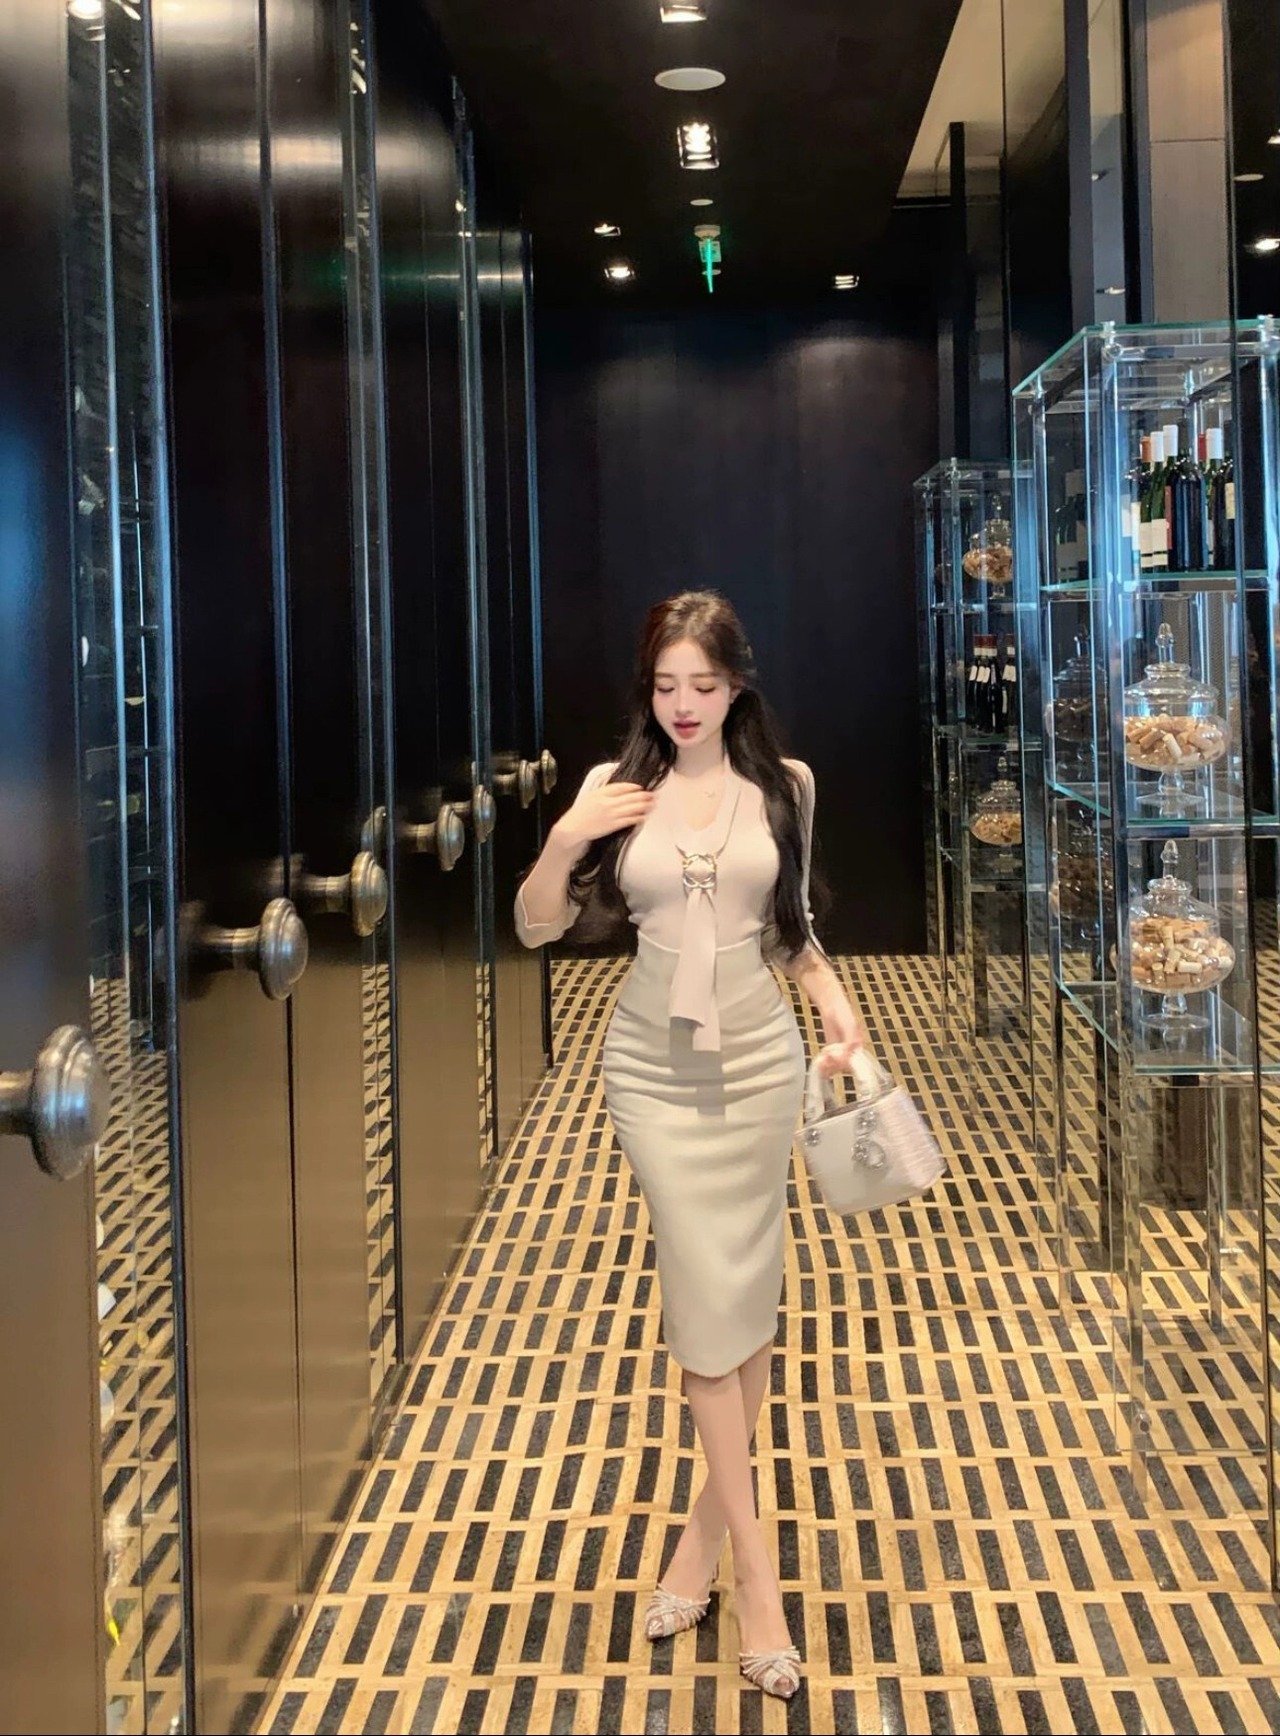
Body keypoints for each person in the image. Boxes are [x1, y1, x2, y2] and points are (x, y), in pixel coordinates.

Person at [515, 590, 868, 1701]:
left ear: (736, 686)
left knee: (742, 1299)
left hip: (759, 1063)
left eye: (703, 686)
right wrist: (567, 835)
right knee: (704, 1301)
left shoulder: (784, 786)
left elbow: (794, 936)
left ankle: (699, 1546)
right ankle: (757, 1581)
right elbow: (533, 924)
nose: (683, 705)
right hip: (652, 1074)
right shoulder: (612, 790)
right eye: (666, 685)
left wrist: (838, 1010)